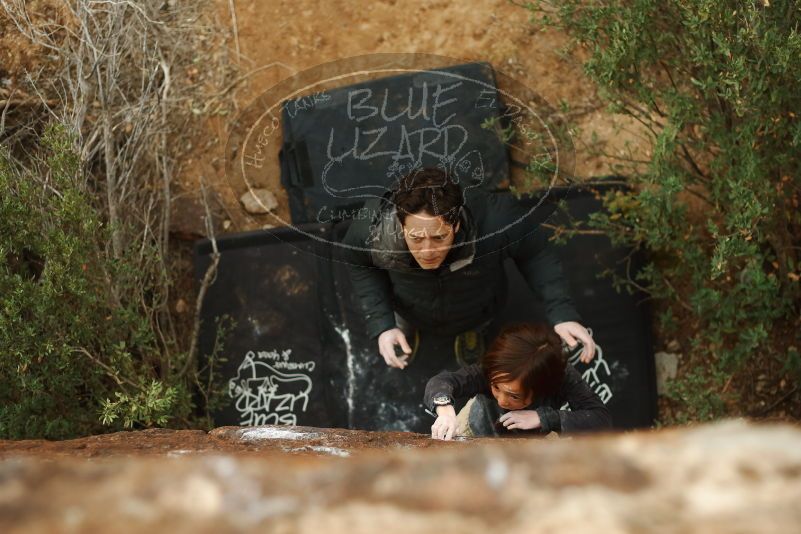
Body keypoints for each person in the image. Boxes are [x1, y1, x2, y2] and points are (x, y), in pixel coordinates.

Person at [341, 166, 596, 369]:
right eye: (416, 238)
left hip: (477, 303)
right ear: (401, 224)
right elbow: (357, 263)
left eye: (439, 238)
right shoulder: (372, 231)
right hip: (408, 302)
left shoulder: (496, 220)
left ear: (457, 226)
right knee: (400, 321)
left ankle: (470, 333)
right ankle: (404, 328)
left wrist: (563, 314)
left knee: (476, 321)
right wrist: (383, 324)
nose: (428, 251)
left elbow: (536, 252)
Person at [425, 323, 611, 439]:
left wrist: (544, 418)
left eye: (514, 396)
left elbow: (600, 419)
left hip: (535, 441)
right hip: (473, 429)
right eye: (496, 387)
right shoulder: (491, 369)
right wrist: (445, 411)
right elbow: (442, 381)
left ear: (541, 387)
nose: (502, 401)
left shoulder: (563, 377)